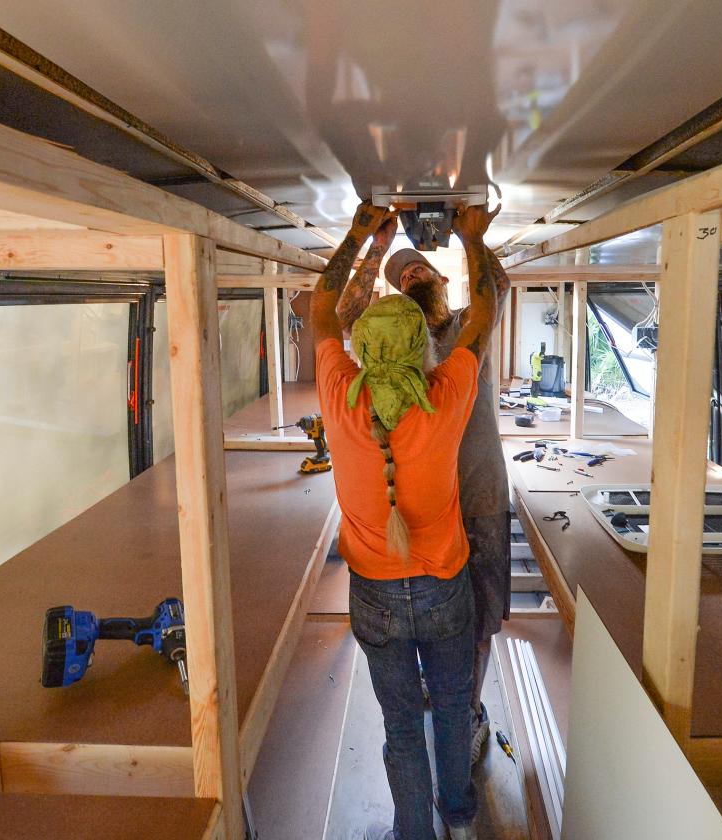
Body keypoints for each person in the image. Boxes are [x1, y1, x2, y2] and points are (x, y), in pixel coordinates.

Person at [311, 202, 499, 840]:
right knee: (450, 710)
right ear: (422, 344)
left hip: (374, 591)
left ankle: (414, 832)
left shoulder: (340, 397)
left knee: (399, 725)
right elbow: (484, 313)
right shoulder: (445, 396)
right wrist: (471, 240)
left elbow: (320, 312)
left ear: (362, 346)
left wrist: (361, 237)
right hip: (444, 584)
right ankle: (462, 817)